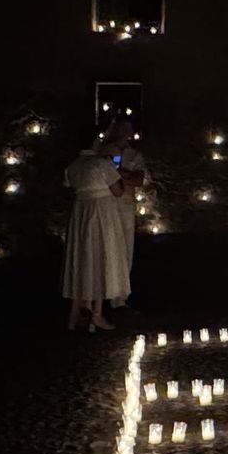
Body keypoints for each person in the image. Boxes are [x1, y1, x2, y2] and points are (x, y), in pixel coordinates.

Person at [62, 126, 130, 331]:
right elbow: (118, 190)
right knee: (100, 257)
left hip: (81, 215)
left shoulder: (73, 166)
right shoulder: (101, 164)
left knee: (82, 259)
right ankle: (97, 313)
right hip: (101, 215)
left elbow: (69, 185)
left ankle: (75, 312)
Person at [103, 117, 145, 310]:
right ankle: (101, 293)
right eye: (123, 129)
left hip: (125, 205)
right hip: (105, 204)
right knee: (105, 247)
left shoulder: (134, 154)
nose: (125, 133)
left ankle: (120, 297)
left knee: (126, 249)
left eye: (129, 129)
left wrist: (123, 175)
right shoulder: (103, 151)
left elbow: (139, 178)